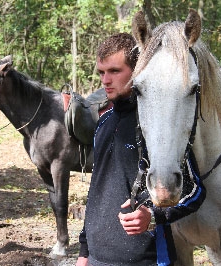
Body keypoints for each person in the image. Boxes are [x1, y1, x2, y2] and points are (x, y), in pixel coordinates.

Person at [76, 33, 207, 266]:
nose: (105, 80)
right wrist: (84, 253)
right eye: (101, 72)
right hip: (97, 259)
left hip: (147, 259)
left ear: (137, 70)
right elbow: (96, 193)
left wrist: (153, 216)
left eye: (115, 71)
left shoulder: (158, 127)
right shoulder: (103, 123)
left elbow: (195, 190)